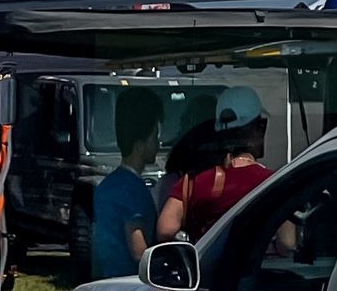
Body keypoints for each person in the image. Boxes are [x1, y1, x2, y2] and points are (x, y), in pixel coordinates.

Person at [158, 100, 272, 242]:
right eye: (261, 126)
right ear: (254, 130)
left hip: (209, 256)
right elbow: (287, 243)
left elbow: (165, 230)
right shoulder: (272, 182)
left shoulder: (193, 182)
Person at [84, 90, 163, 281]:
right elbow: (139, 251)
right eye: (155, 136)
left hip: (105, 281)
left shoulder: (106, 186)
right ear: (139, 145)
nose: (158, 143)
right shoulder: (134, 190)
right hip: (132, 283)